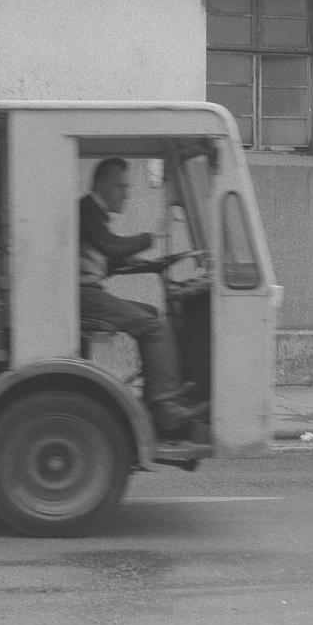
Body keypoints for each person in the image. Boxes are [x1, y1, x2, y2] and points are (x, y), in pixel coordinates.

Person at [80, 158, 208, 434]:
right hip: (83, 297)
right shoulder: (87, 210)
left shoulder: (92, 214)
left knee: (151, 315)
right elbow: (111, 247)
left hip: (86, 294)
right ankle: (166, 407)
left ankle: (160, 392)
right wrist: (153, 236)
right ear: (100, 185)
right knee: (155, 327)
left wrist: (153, 264)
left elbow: (109, 259)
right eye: (119, 186)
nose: (125, 193)